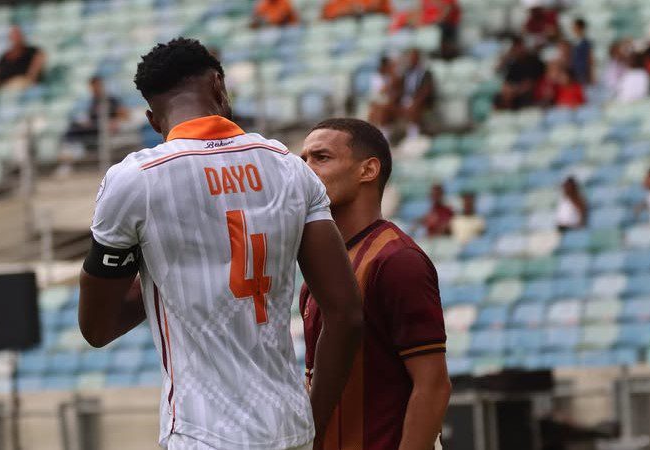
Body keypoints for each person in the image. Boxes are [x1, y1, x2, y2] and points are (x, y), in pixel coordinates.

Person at [78, 38, 362, 449]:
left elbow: (97, 328)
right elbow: (347, 314)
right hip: (290, 428)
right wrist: (312, 423)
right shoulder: (289, 169)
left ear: (153, 120)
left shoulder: (137, 179)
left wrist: (165, 266)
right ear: (218, 85)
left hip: (202, 433)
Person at [300, 118, 451, 450]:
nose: (306, 170)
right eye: (303, 160)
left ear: (367, 170)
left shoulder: (397, 260)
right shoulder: (317, 273)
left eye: (321, 157)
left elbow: (433, 384)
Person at [390, 0, 461, 59]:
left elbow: (447, 11)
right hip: (427, 25)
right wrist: (418, 24)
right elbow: (419, 11)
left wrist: (434, 22)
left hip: (442, 26)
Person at [0, 26, 46, 90]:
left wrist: (28, 80)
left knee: (18, 83)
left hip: (23, 84)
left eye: (17, 35)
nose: (16, 38)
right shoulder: (5, 56)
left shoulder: (33, 52)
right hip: (4, 86)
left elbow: (33, 74)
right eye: (14, 35)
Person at [394, 48, 436, 139]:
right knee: (383, 107)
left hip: (419, 101)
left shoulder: (426, 73)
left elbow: (427, 90)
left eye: (414, 58)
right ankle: (385, 137)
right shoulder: (405, 72)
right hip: (405, 100)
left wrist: (415, 102)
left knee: (413, 108)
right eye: (410, 58)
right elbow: (398, 88)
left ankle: (412, 137)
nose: (412, 60)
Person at [367, 56, 397, 129]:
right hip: (379, 100)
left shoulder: (390, 77)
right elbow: (382, 91)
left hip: (388, 101)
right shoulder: (376, 77)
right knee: (376, 108)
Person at [570, 18, 593, 85]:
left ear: (581, 28)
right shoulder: (573, 42)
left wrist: (590, 74)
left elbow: (590, 58)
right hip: (574, 71)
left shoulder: (586, 42)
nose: (573, 29)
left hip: (583, 71)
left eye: (575, 27)